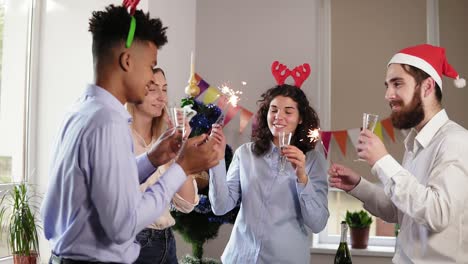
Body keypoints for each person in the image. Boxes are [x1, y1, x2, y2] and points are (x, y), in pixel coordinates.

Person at [41, 5, 219, 264]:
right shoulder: (109, 122)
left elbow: (104, 182)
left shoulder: (82, 109)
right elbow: (122, 224)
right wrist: (181, 167)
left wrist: (153, 158)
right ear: (127, 61)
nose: (150, 80)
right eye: (150, 67)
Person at [328, 44, 468, 263]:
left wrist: (383, 160)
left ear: (427, 87)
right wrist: (358, 186)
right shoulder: (414, 144)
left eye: (397, 83)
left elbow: (438, 214)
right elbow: (399, 210)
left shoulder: (456, 141)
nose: (387, 95)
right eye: (387, 85)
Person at [208, 82, 329, 263]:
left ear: (300, 118)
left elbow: (318, 224)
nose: (279, 117)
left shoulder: (313, 161)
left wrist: (302, 177)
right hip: (240, 258)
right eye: (273, 110)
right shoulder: (245, 153)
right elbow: (220, 207)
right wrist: (216, 160)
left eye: (288, 112)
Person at [127, 68, 199, 264]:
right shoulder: (120, 136)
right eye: (152, 89)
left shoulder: (166, 139)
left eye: (165, 89)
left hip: (166, 243)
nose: (162, 97)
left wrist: (183, 145)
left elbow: (186, 203)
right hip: (133, 243)